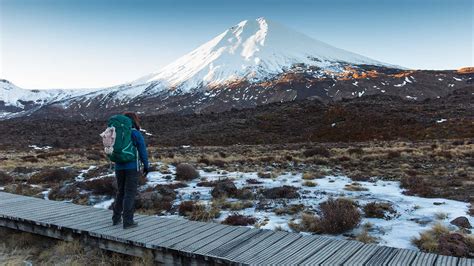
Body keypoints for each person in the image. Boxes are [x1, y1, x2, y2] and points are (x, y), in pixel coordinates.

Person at [112, 112, 149, 229]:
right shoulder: (135, 134)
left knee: (120, 192)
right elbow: (142, 151)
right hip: (132, 167)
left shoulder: (117, 133)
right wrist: (146, 166)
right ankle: (128, 221)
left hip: (118, 167)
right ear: (134, 121)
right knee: (130, 194)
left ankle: (116, 218)